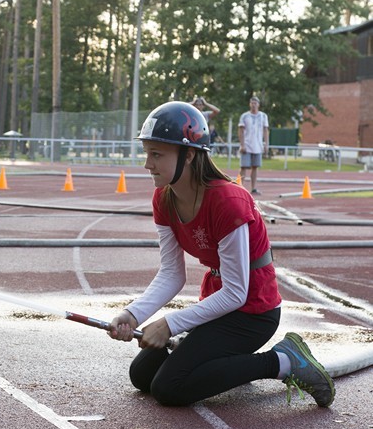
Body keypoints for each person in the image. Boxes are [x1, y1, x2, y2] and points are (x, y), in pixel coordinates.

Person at [109, 101, 334, 408]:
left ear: (189, 155)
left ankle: (282, 361)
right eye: (147, 153)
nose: (147, 163)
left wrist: (171, 324)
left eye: (157, 154)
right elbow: (172, 274)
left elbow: (237, 293)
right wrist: (133, 314)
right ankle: (209, 352)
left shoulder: (228, 202)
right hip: (218, 305)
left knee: (168, 388)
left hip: (253, 313)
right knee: (141, 375)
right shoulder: (163, 198)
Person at [238, 96, 269, 194]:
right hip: (247, 145)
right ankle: (240, 188)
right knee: (244, 167)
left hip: (258, 146)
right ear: (249, 104)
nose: (253, 105)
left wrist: (266, 144)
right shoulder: (245, 116)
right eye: (252, 103)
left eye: (255, 103)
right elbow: (241, 131)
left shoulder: (263, 116)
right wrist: (242, 144)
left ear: (258, 105)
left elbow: (265, 130)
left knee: (255, 167)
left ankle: (253, 188)